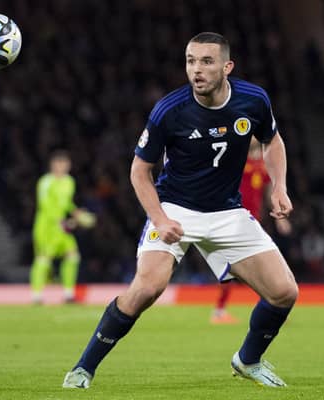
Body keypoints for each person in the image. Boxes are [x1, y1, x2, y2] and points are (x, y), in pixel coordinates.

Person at [63, 32, 298, 389]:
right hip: (176, 208)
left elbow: (272, 140)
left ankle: (247, 360)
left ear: (227, 66)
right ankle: (83, 368)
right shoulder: (169, 110)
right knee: (147, 288)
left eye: (206, 61)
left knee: (285, 292)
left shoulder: (254, 100)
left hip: (226, 212)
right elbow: (139, 171)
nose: (196, 70)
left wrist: (278, 186)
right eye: (190, 61)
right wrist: (160, 218)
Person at [211, 137, 292, 324]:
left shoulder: (262, 164)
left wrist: (279, 216)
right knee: (240, 268)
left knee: (240, 267)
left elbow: (268, 190)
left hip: (252, 222)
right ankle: (222, 311)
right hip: (233, 220)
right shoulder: (236, 160)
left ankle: (224, 310)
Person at [30, 150, 94, 304]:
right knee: (43, 259)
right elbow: (44, 204)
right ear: (52, 165)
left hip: (61, 226)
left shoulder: (69, 181)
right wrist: (58, 221)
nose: (62, 167)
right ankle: (37, 296)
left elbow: (66, 203)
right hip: (46, 226)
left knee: (73, 255)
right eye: (59, 164)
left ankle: (68, 294)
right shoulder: (45, 182)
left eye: (65, 164)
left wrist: (76, 212)